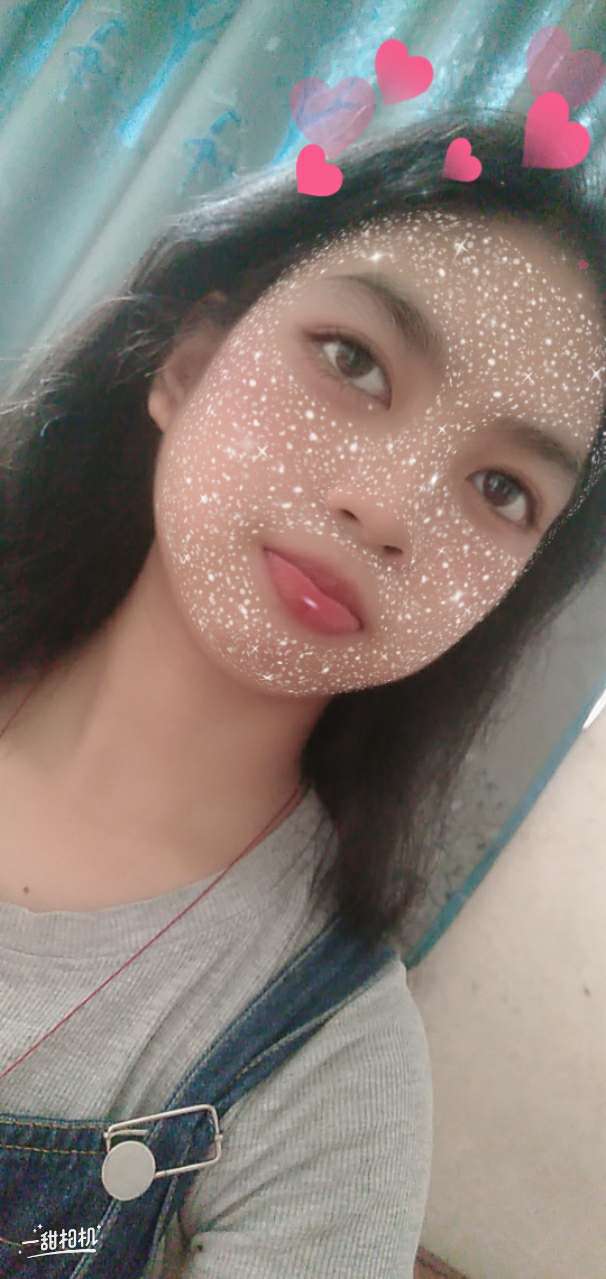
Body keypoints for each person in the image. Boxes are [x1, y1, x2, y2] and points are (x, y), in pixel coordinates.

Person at [0, 109, 604, 1277]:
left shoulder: (326, 1068)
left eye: (501, 488)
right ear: (188, 365)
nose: (388, 506)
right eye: (354, 360)